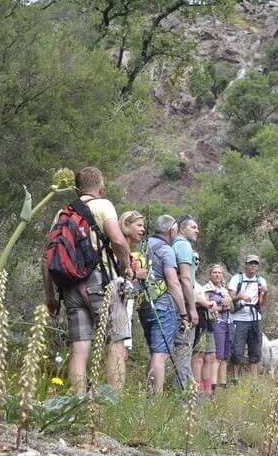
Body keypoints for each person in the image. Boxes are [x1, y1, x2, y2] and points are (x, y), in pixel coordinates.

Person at [43, 167, 131, 395]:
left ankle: (78, 401)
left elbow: (48, 257)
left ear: (76, 189)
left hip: (70, 288)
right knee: (115, 343)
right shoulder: (103, 205)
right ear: (101, 188)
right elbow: (118, 240)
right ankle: (112, 401)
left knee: (79, 348)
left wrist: (50, 296)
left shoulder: (62, 213)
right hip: (100, 283)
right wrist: (126, 267)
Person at [138, 214, 189, 395]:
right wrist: (183, 313)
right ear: (171, 230)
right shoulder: (166, 250)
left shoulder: (142, 246)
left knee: (154, 353)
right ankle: (155, 399)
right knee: (161, 354)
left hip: (144, 305)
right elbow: (173, 283)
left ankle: (149, 394)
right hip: (163, 306)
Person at [113, 210, 148, 390]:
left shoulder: (129, 251)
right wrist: (135, 274)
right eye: (139, 225)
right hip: (119, 303)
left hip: (126, 303)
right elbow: (116, 275)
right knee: (120, 348)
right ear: (126, 226)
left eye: (143, 226)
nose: (142, 230)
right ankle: (115, 392)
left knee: (123, 349)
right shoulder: (119, 248)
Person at [170, 215, 201, 390]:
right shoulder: (183, 245)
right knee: (184, 348)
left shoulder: (173, 245)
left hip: (173, 303)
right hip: (182, 305)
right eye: (193, 227)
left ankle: (183, 389)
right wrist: (192, 309)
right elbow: (185, 278)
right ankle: (183, 394)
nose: (197, 231)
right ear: (182, 229)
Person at [228, 255, 268, 380]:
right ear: (245, 265)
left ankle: (253, 380)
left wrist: (265, 292)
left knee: (255, 350)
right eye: (251, 263)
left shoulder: (261, 281)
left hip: (255, 319)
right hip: (238, 319)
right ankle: (235, 377)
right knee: (237, 350)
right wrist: (241, 297)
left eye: (255, 263)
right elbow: (230, 298)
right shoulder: (236, 279)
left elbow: (262, 304)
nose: (253, 266)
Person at [202, 264, 233, 391]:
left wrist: (229, 301)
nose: (217, 274)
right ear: (210, 274)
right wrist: (222, 306)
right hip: (216, 322)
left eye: (219, 273)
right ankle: (213, 384)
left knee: (225, 354)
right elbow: (208, 307)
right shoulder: (206, 289)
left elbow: (231, 308)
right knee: (217, 354)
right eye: (214, 272)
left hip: (228, 323)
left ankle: (223, 382)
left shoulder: (224, 290)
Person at [190, 254, 217, 394]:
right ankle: (197, 388)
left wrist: (210, 306)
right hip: (195, 320)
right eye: (193, 259)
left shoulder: (198, 285)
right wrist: (207, 303)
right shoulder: (184, 280)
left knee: (210, 355)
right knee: (198, 356)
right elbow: (193, 298)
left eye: (198, 259)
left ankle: (207, 390)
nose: (196, 262)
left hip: (206, 320)